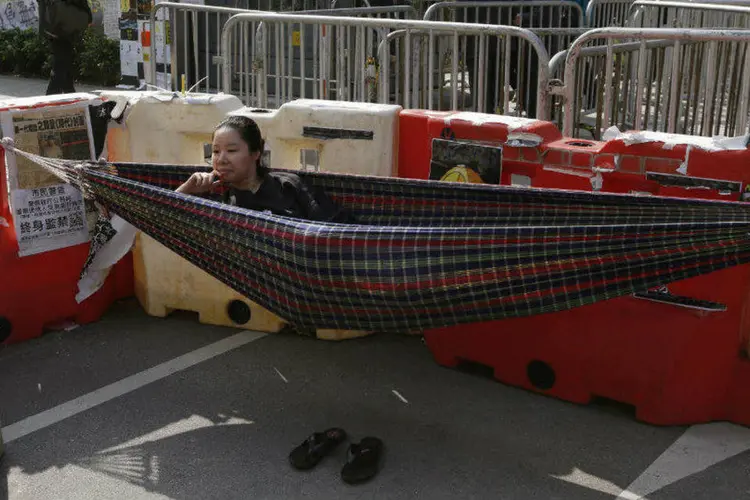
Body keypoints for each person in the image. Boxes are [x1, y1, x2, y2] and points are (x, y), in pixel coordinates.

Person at [177, 115, 353, 223]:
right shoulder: (212, 196)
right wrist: (186, 191)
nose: (221, 159)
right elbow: (165, 216)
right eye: (215, 151)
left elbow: (332, 228)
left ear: (256, 153)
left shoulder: (288, 186)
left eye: (231, 150)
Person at [37, 0, 93, 95]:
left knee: (63, 61)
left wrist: (43, 26)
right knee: (61, 63)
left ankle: (69, 93)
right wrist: (89, 17)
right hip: (66, 25)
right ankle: (53, 96)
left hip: (54, 25)